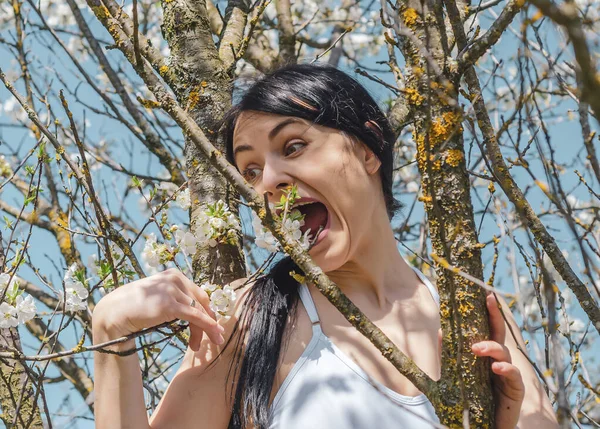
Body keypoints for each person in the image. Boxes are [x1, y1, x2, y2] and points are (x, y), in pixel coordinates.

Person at [92, 63, 558, 428]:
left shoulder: (473, 312)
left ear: (368, 146)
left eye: (293, 147)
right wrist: (110, 330)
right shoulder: (246, 318)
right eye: (250, 171)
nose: (269, 182)